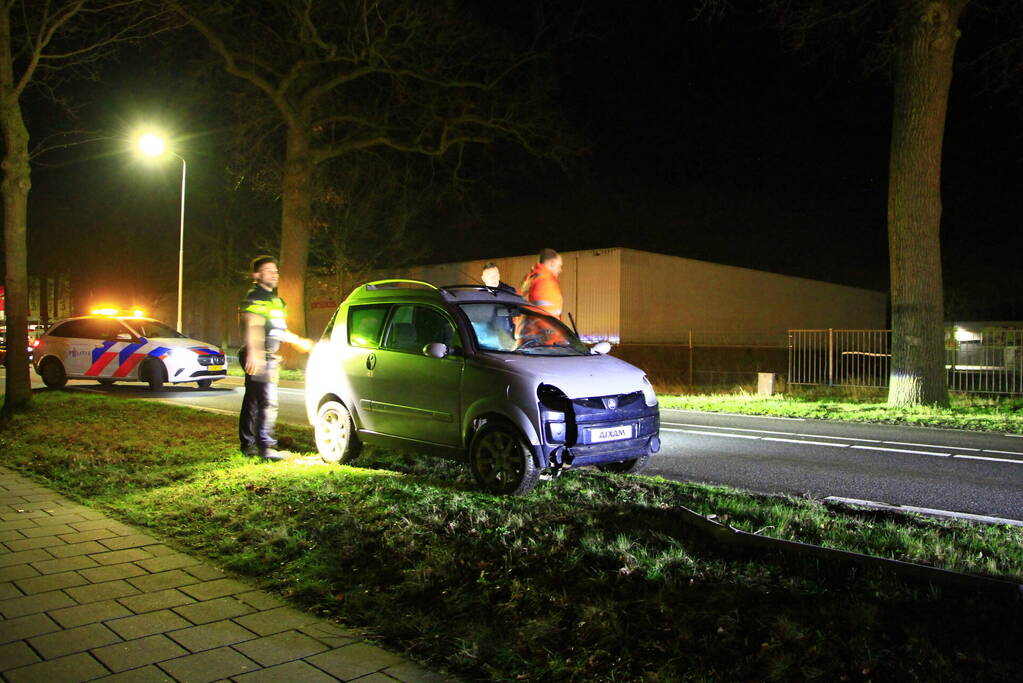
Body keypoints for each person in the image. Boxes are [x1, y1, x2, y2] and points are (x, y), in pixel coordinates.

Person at [238, 255, 310, 461]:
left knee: (253, 401)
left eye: (275, 271)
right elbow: (254, 324)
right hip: (261, 355)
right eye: (268, 271)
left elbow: (278, 329)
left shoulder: (276, 301)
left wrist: (297, 341)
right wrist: (255, 353)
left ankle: (250, 445)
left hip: (267, 354)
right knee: (267, 401)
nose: (274, 274)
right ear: (256, 275)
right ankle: (265, 448)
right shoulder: (256, 296)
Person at [518, 248, 564, 319]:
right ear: (552, 263)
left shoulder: (532, 277)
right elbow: (547, 313)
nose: (560, 270)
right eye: (559, 266)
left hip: (531, 326)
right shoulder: (546, 281)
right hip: (545, 328)